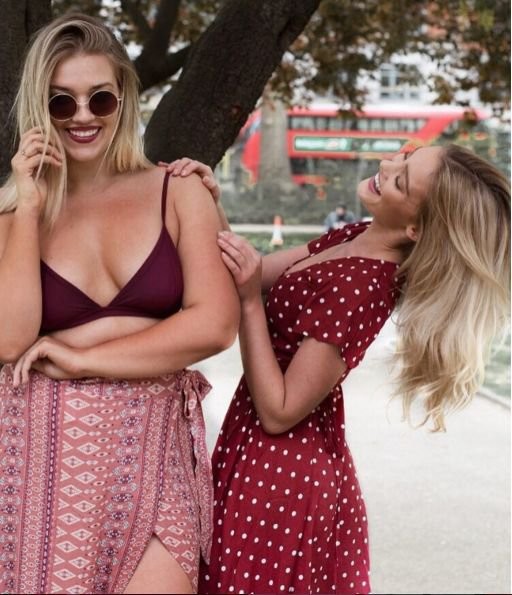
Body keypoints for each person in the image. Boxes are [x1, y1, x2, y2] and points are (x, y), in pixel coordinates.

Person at [164, 144, 510, 595]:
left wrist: (250, 304)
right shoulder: (355, 236)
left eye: (401, 180)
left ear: (415, 228)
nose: (386, 166)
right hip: (260, 452)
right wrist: (211, 203)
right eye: (404, 157)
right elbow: (253, 272)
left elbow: (280, 410)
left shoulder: (361, 287)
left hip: (282, 473)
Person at [0, 13, 240, 595]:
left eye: (99, 98)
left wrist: (83, 358)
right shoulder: (13, 217)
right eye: (61, 102)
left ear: (124, 98)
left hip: (153, 450)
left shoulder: (179, 189)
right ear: (39, 108)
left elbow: (214, 324)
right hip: (41, 460)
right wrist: (28, 207)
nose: (82, 116)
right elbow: (9, 340)